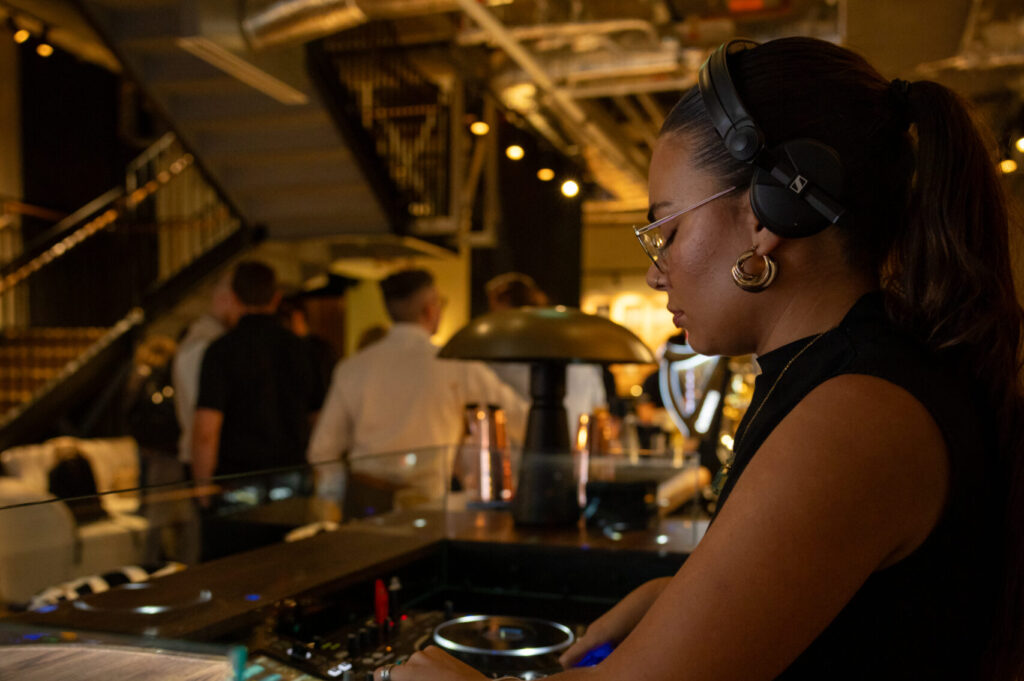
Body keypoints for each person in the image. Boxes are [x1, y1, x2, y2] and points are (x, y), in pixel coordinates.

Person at [374, 38, 1023, 681]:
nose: (656, 273)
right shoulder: (857, 378)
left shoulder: (856, 416)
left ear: (771, 210)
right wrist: (688, 598)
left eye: (668, 230)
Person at [308, 269, 528, 514]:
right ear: (429, 309)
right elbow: (521, 418)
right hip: (426, 506)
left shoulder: (353, 367)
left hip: (364, 505)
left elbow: (323, 449)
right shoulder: (456, 364)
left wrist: (334, 500)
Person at [192, 261, 324, 482]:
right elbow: (318, 419)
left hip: (238, 478)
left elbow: (206, 431)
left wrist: (203, 487)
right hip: (293, 473)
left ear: (234, 297)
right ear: (276, 297)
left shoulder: (221, 351)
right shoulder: (304, 349)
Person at [484, 272, 609, 442]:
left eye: (493, 309)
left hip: (528, 451)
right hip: (574, 449)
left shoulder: (502, 360)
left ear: (505, 306)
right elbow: (600, 410)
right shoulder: (576, 349)